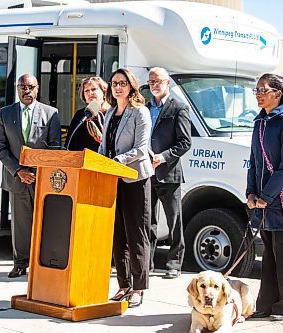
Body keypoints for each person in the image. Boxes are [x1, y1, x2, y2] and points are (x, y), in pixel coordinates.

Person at [246, 73, 283, 321]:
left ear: (277, 93)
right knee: (267, 254)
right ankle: (265, 305)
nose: (258, 94)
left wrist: (267, 195)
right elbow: (254, 163)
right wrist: (251, 192)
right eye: (256, 90)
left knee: (282, 255)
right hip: (261, 199)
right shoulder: (260, 122)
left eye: (262, 90)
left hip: (281, 197)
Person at [0, 73, 61, 278]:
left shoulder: (50, 113)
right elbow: (1, 148)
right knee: (21, 225)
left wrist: (37, 171)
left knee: (46, 223)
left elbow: (55, 147)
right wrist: (18, 171)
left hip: (42, 179)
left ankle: (44, 264)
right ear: (17, 89)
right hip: (17, 179)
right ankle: (20, 264)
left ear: (37, 88)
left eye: (31, 87)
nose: (27, 90)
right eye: (23, 87)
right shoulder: (6, 113)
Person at [98, 68, 153, 307]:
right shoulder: (110, 112)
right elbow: (104, 145)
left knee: (136, 234)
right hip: (112, 180)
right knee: (118, 235)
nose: (117, 87)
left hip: (135, 180)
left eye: (122, 83)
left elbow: (141, 150)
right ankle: (123, 285)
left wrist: (114, 162)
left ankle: (139, 288)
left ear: (131, 86)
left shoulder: (140, 112)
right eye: (114, 83)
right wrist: (99, 162)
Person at [147, 67, 191, 279]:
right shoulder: (144, 108)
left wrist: (162, 157)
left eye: (159, 81)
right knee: (148, 221)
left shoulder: (179, 108)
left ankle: (174, 263)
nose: (155, 85)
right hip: (146, 173)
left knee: (174, 221)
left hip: (168, 172)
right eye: (151, 81)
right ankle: (147, 262)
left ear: (168, 84)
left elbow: (185, 142)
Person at [65, 76, 109, 151]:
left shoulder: (112, 113)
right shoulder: (80, 115)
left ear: (103, 91)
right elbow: (70, 143)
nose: (90, 93)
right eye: (86, 91)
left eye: (93, 89)